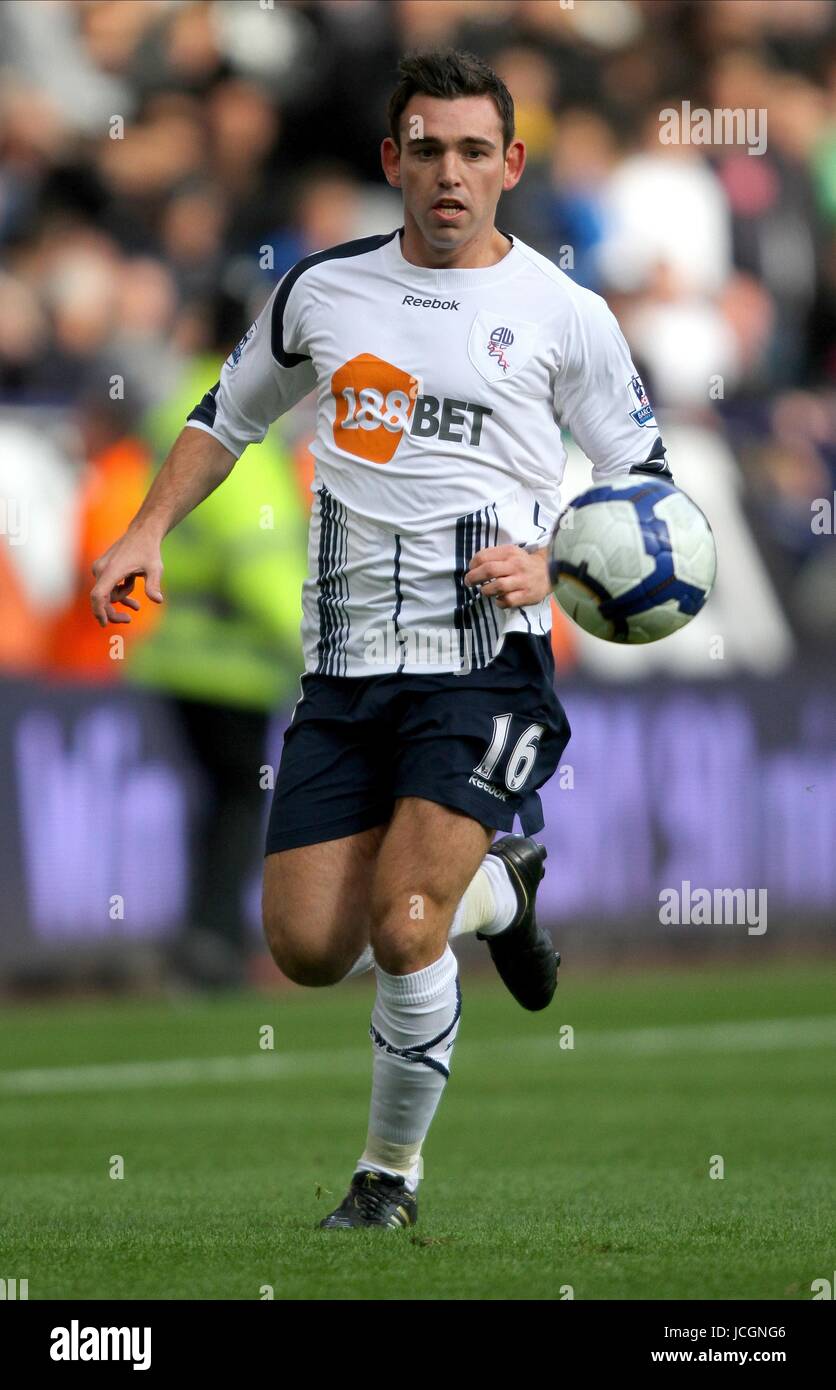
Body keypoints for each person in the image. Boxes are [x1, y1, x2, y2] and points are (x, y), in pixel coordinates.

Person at [90, 48, 672, 1231]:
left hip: (488, 666)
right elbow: (226, 414)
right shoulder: (322, 290)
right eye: (425, 149)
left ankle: (386, 1180)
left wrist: (555, 559)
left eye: (472, 152)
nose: (447, 174)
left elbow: (643, 482)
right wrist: (148, 525)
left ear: (511, 165)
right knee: (308, 945)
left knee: (405, 924)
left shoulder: (566, 316)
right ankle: (500, 895)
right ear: (389, 161)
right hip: (344, 671)